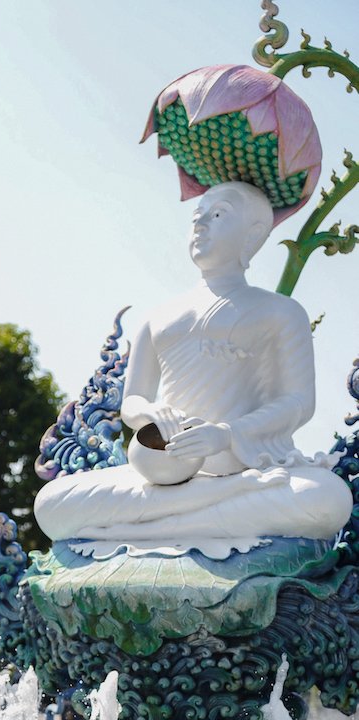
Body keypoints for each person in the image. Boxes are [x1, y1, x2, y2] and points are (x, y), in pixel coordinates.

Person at [34, 181, 354, 554]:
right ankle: (198, 517)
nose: (200, 225)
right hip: (163, 477)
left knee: (327, 498)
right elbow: (133, 400)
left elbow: (299, 402)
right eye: (196, 218)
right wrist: (152, 411)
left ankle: (150, 527)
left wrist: (227, 434)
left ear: (253, 236)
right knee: (50, 503)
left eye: (217, 215)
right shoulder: (158, 317)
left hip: (244, 472)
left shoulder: (281, 313)